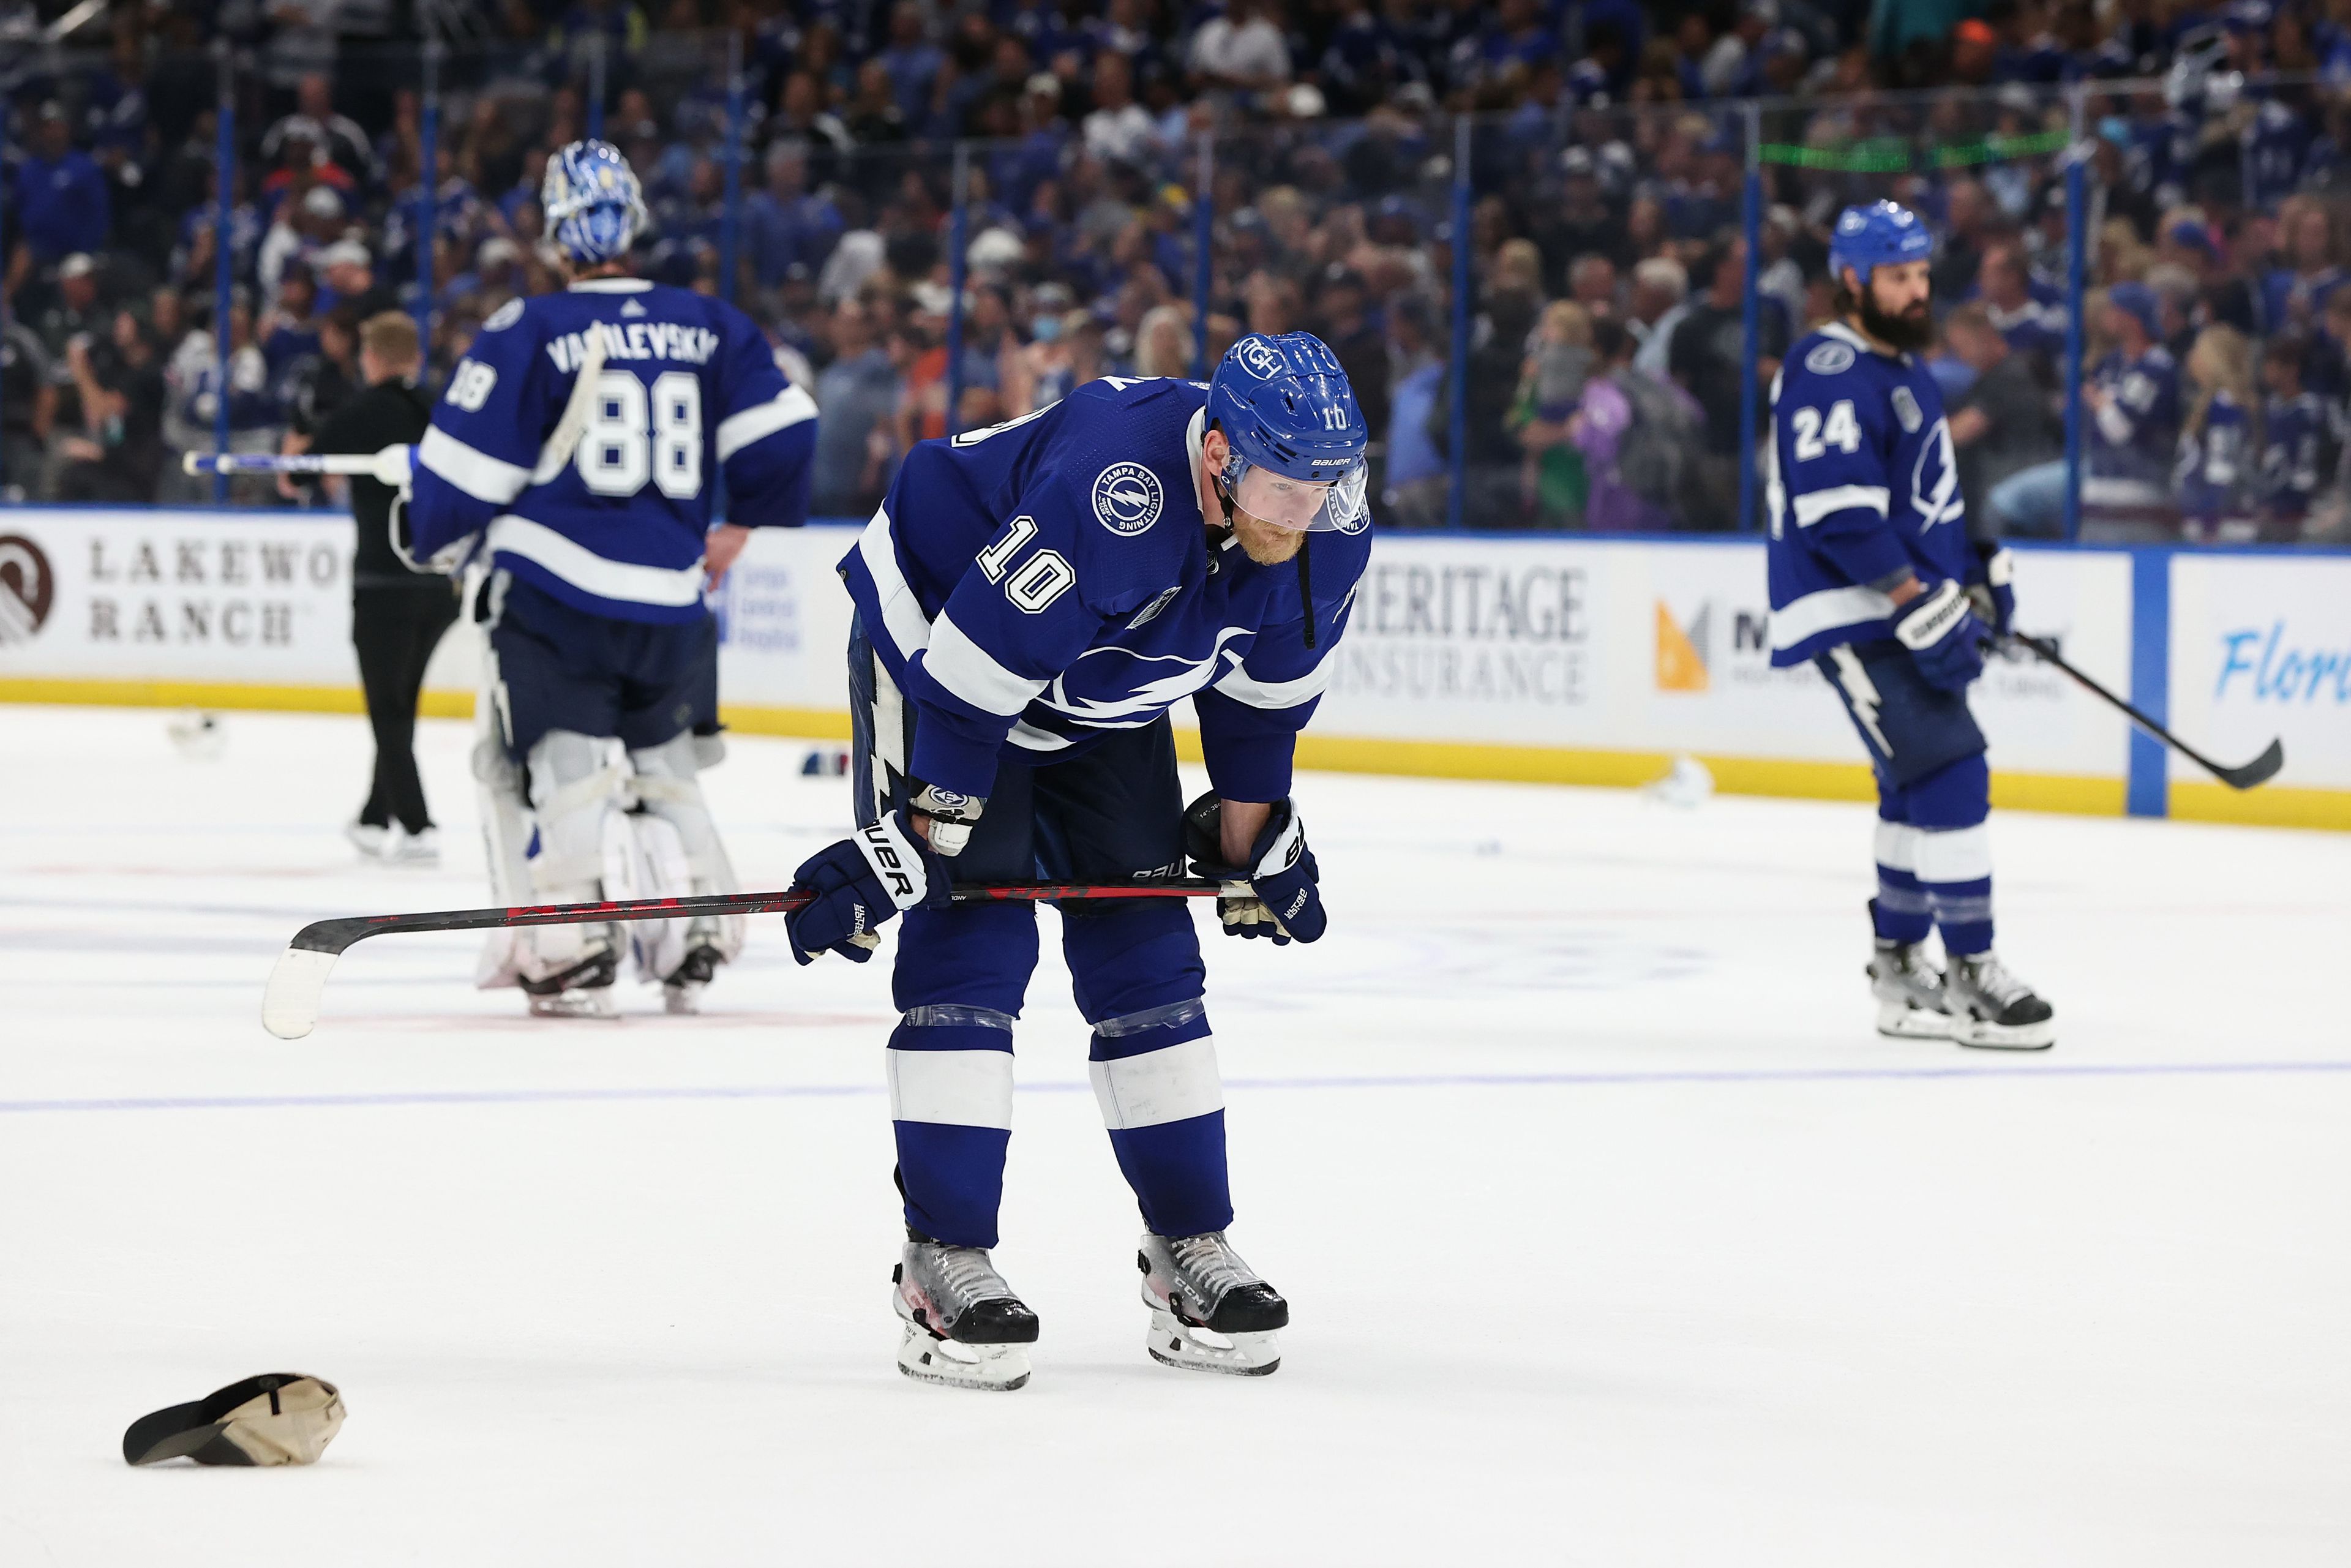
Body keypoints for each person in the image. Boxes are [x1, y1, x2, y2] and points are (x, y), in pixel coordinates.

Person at [783, 332, 1373, 1391]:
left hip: (1096, 679)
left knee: (1149, 954)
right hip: (946, 634)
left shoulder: (1328, 522)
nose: (1306, 510)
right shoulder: (1116, 491)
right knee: (973, 936)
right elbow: (968, 683)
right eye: (1285, 486)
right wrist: (917, 841)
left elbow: (1254, 708)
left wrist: (1251, 844)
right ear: (1220, 459)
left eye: (1325, 485)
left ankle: (1187, 1248)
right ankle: (943, 1259)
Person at [399, 140, 819, 1018]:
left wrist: (423, 527)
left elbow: (459, 481)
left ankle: (572, 934)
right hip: (672, 601)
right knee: (668, 768)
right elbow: (785, 428)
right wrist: (737, 523)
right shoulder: (710, 322)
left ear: (557, 235)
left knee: (567, 767)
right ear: (634, 221)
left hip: (556, 592)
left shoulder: (532, 327)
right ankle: (701, 923)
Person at [1764, 200, 2056, 1051]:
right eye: (1898, 276)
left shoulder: (1904, 368)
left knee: (1912, 787)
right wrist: (1911, 594)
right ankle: (1973, 971)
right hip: (1852, 610)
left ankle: (1899, 968)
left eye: (1923, 274)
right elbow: (1839, 513)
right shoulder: (1829, 365)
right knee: (1954, 768)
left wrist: (1972, 568)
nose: (1916, 289)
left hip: (1896, 605)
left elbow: (1917, 500)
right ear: (1852, 280)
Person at [291, 313, 453, 862]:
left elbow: (298, 476)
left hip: (384, 583)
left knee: (388, 708)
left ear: (374, 358)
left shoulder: (358, 414)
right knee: (401, 704)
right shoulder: (445, 412)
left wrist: (297, 445)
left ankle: (416, 822)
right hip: (440, 586)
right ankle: (373, 813)